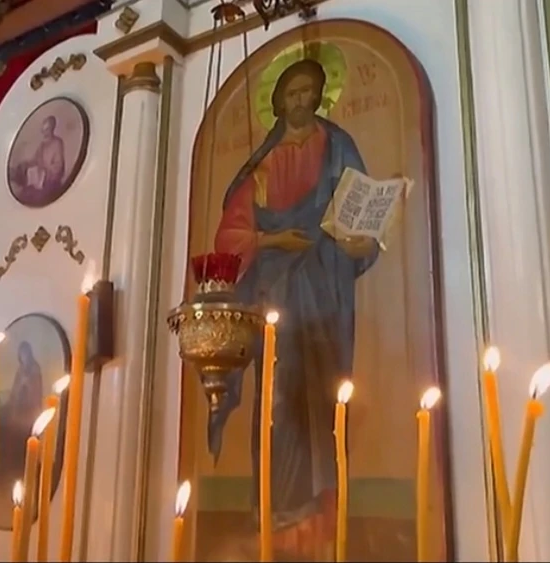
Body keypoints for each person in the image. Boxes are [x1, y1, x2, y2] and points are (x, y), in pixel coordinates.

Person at [209, 58, 380, 557]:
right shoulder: (262, 163)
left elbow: (361, 214)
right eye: (293, 93)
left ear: (320, 96)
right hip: (276, 293)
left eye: (309, 92)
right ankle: (277, 510)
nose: (301, 100)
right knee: (279, 395)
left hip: (325, 289)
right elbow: (230, 235)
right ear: (279, 101)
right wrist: (272, 239)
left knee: (323, 393)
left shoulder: (338, 147)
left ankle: (322, 514)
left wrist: (359, 242)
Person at [0, 341, 44, 514]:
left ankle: (26, 490)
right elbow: (15, 391)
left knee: (25, 454)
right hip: (16, 417)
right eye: (20, 354)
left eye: (25, 353)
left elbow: (35, 393)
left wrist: (27, 385)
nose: (23, 357)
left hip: (28, 419)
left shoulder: (35, 370)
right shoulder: (20, 371)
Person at [9, 115, 67, 206]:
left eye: (47, 129)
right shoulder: (42, 145)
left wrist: (44, 168)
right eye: (43, 129)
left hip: (50, 182)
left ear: (52, 128)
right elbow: (35, 160)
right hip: (38, 178)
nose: (44, 132)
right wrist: (26, 164)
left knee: (32, 196)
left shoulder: (57, 143)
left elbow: (58, 167)